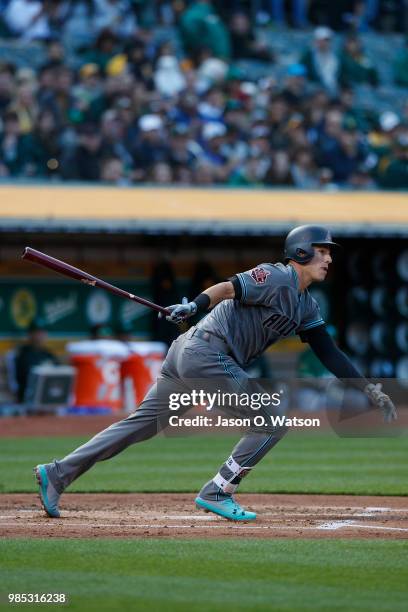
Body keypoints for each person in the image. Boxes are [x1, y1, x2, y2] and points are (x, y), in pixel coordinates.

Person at [34, 225, 397, 521]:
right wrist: (193, 304)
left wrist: (367, 388)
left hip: (193, 355)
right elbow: (227, 287)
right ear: (301, 252)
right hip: (205, 352)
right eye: (323, 250)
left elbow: (328, 350)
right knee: (271, 419)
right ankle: (218, 491)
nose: (329, 258)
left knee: (139, 425)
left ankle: (58, 472)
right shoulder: (276, 276)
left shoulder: (306, 305)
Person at [15, 319, 59, 403]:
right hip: (28, 398)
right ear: (30, 334)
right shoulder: (22, 354)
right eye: (37, 332)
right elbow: (25, 379)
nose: (40, 336)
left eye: (42, 332)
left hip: (49, 396)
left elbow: (59, 373)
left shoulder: (49, 354)